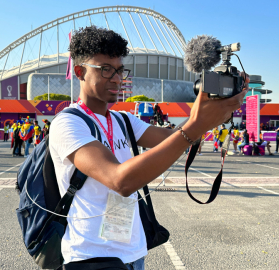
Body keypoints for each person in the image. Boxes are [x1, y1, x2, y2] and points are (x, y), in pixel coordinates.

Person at [49, 26, 247, 268]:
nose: (117, 78)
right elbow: (120, 181)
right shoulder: (68, 122)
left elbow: (174, 138)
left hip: (134, 253)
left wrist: (211, 106)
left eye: (120, 70)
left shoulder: (122, 120)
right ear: (80, 71)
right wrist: (196, 125)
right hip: (91, 256)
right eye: (106, 70)